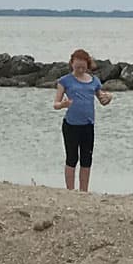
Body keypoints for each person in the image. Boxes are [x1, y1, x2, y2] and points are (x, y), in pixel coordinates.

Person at [53, 49, 111, 192]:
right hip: (71, 125)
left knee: (86, 159)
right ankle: (70, 190)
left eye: (83, 67)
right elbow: (55, 104)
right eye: (77, 67)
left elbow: (102, 100)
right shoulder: (64, 81)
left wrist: (109, 97)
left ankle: (84, 191)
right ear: (72, 64)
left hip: (88, 125)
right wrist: (63, 105)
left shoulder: (94, 81)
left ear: (88, 65)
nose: (80, 70)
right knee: (72, 158)